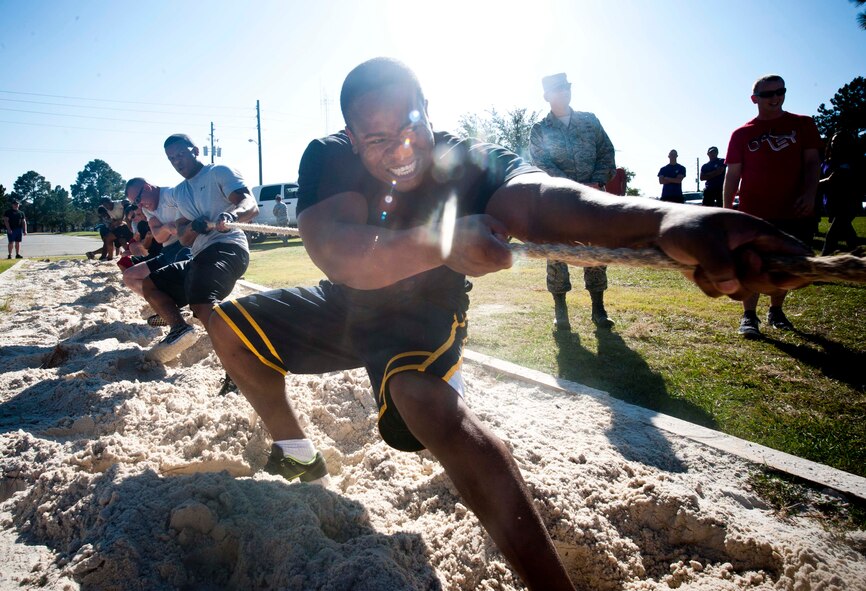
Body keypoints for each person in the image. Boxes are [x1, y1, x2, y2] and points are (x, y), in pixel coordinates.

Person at [206, 58, 811, 591]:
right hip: (345, 302)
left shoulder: (467, 157)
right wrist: (442, 240)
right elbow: (338, 253)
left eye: (410, 123)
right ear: (350, 136)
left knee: (424, 402)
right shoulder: (327, 156)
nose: (400, 147)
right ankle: (298, 452)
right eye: (377, 138)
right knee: (228, 325)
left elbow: (542, 199)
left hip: (421, 310)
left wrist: (665, 221)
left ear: (429, 109)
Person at [140, 134, 258, 363]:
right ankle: (179, 328)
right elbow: (184, 239)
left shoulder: (218, 172)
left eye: (181, 155)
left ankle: (242, 358)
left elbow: (249, 204)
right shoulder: (179, 193)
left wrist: (231, 215)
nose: (177, 162)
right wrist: (194, 228)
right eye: (171, 158)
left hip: (229, 247)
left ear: (195, 151)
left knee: (201, 301)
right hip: (200, 255)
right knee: (150, 284)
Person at [723, 74, 822, 338]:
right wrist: (726, 211)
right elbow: (732, 175)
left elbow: (813, 164)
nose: (776, 98)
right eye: (768, 94)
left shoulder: (802, 124)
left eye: (781, 91)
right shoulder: (742, 134)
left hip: (793, 211)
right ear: (754, 99)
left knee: (784, 267)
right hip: (753, 214)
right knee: (751, 266)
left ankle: (776, 311)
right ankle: (749, 316)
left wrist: (811, 194)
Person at [529, 72, 617, 330]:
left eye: (566, 88)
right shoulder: (540, 129)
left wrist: (597, 181)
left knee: (595, 252)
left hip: (592, 199)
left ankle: (598, 309)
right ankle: (560, 311)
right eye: (557, 90)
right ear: (547, 96)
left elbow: (607, 153)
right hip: (558, 202)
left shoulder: (589, 122)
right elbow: (540, 163)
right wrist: (570, 186)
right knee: (556, 253)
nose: (563, 92)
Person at [121, 178, 192, 307]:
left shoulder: (173, 195)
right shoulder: (148, 208)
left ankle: (174, 305)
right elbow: (159, 238)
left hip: (187, 247)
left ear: (147, 188)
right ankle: (166, 305)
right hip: (167, 251)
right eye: (136, 204)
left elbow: (184, 229)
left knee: (184, 274)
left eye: (138, 200)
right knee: (129, 277)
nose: (140, 206)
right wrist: (166, 228)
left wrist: (166, 229)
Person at [819, 131, 861, 256]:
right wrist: (825, 181)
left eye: (840, 142)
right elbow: (821, 180)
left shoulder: (852, 162)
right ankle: (860, 261)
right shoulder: (827, 162)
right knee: (849, 237)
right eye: (834, 141)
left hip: (847, 205)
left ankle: (821, 264)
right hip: (832, 205)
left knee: (831, 238)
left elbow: (835, 181)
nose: (836, 144)